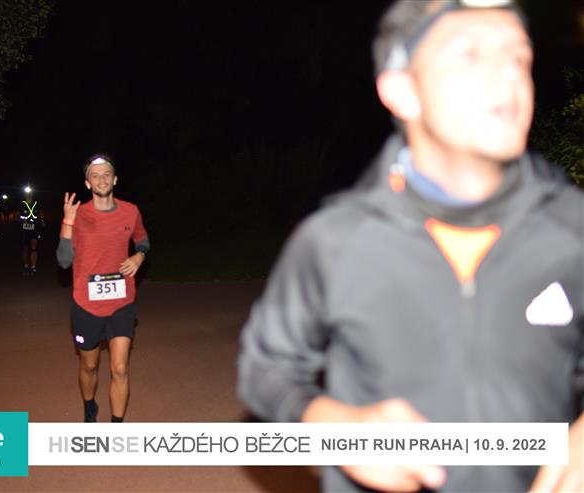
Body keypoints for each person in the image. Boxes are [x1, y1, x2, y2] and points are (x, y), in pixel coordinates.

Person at [237, 1, 583, 492]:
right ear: (402, 91)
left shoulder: (571, 227)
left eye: (518, 57)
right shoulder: (335, 239)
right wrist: (327, 420)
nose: (507, 75)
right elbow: (265, 369)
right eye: (469, 55)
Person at [56, 154, 150, 423]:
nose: (102, 180)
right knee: (89, 365)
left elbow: (143, 241)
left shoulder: (131, 211)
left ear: (115, 179)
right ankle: (89, 407)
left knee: (120, 368)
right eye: (95, 176)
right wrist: (67, 222)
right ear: (88, 183)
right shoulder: (78, 215)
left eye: (106, 174)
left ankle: (116, 427)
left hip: (122, 302)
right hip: (86, 304)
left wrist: (139, 256)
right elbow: (64, 261)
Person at [18, 186, 45, 276]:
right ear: (25, 194)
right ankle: (26, 266)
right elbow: (16, 215)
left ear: (32, 194)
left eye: (30, 193)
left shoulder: (37, 202)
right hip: (24, 229)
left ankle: (33, 267)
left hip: (35, 228)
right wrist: (20, 220)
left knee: (34, 247)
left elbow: (41, 212)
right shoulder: (21, 203)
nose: (29, 195)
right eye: (27, 193)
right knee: (25, 248)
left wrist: (42, 221)